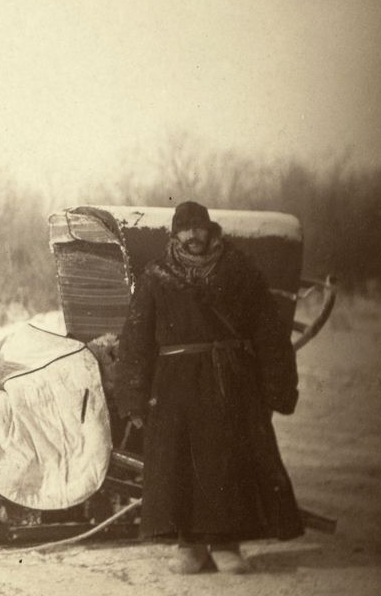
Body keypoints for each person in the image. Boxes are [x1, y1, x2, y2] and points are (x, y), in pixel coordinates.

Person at [116, 201, 304, 574]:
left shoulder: (239, 271)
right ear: (175, 235)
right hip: (175, 386)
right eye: (185, 230)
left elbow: (270, 333)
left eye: (199, 228)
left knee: (226, 462)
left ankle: (225, 544)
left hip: (229, 381)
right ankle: (190, 546)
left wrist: (278, 385)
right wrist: (133, 397)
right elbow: (135, 339)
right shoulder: (156, 277)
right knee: (180, 464)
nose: (193, 237)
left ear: (211, 230)